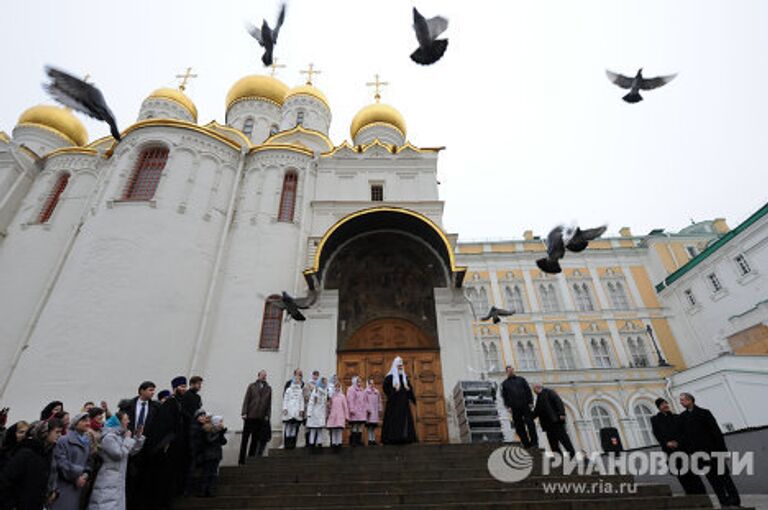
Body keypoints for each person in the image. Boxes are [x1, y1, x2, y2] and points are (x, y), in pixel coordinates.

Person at [679, 393, 741, 508]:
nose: (681, 402)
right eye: (680, 400)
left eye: (683, 400)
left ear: (690, 400)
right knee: (713, 480)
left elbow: (716, 433)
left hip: (714, 451)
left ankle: (735, 500)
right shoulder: (682, 417)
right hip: (700, 455)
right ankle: (723, 502)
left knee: (725, 477)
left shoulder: (704, 413)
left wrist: (723, 451)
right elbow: (684, 437)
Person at [0, 419, 63, 510]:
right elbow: (6, 481)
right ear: (44, 432)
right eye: (57, 432)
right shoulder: (25, 453)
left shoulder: (46, 454)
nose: (60, 435)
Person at [88, 411, 144, 510]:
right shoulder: (109, 437)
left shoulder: (119, 436)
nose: (128, 421)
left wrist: (138, 437)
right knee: (105, 504)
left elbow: (131, 452)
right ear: (119, 422)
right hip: (108, 477)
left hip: (118, 477)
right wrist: (127, 439)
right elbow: (118, 454)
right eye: (126, 419)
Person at [650, 398, 707, 495]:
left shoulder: (677, 417)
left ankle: (701, 493)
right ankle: (690, 494)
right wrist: (667, 443)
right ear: (658, 407)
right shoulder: (655, 419)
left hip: (682, 448)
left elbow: (683, 432)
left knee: (691, 472)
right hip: (670, 450)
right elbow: (657, 434)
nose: (665, 405)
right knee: (680, 473)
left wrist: (678, 442)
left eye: (666, 403)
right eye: (662, 404)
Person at [125, 381, 159, 510]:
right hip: (128, 445)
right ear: (141, 391)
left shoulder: (156, 407)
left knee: (143, 479)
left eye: (153, 390)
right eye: (150, 390)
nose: (152, 393)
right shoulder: (128, 406)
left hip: (147, 446)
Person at [51, 412, 93, 510]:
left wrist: (85, 475)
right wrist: (77, 475)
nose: (87, 423)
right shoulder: (63, 440)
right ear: (75, 423)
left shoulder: (87, 442)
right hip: (64, 486)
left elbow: (89, 462)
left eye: (88, 421)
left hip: (79, 486)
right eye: (84, 421)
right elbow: (61, 462)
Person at [381, 356, 418, 445]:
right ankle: (393, 438)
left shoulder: (404, 378)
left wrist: (409, 391)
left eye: (401, 365)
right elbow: (385, 388)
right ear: (394, 366)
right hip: (393, 404)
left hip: (403, 404)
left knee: (404, 421)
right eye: (398, 365)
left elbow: (409, 389)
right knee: (393, 420)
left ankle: (404, 437)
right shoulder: (389, 378)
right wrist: (394, 391)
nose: (400, 367)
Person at [532, 384, 575, 456]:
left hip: (556, 422)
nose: (534, 392)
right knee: (553, 444)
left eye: (534, 390)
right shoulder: (539, 398)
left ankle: (572, 455)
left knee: (564, 440)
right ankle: (559, 459)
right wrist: (528, 417)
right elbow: (537, 411)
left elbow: (558, 401)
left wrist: (562, 413)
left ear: (538, 388)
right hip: (548, 426)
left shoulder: (549, 392)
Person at [500, 365, 538, 448]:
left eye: (511, 370)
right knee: (519, 427)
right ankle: (526, 444)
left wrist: (531, 402)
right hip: (514, 408)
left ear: (514, 370)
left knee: (530, 424)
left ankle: (534, 443)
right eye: (508, 371)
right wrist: (508, 406)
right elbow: (504, 396)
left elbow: (528, 391)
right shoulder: (504, 384)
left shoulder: (521, 379)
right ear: (506, 372)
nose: (510, 372)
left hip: (525, 405)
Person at [239, 370, 272, 464]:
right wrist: (244, 412)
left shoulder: (268, 388)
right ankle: (241, 460)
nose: (264, 377)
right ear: (258, 376)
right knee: (245, 440)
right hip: (250, 416)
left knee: (255, 440)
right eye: (262, 375)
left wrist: (267, 415)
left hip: (260, 418)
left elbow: (269, 404)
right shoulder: (252, 386)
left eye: (265, 375)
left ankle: (250, 459)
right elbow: (247, 399)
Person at [196, 415, 227, 497]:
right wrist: (219, 433)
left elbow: (223, 442)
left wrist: (221, 433)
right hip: (209, 455)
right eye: (220, 421)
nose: (221, 423)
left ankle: (210, 490)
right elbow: (209, 440)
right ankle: (202, 491)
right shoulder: (208, 429)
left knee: (213, 473)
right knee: (206, 473)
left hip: (216, 455)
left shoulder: (218, 431)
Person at [305, 377, 328, 450]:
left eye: (326, 382)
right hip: (314, 413)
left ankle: (319, 444)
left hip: (321, 413)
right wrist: (309, 413)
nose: (325, 384)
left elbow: (324, 403)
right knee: (313, 430)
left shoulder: (325, 392)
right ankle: (311, 444)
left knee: (320, 430)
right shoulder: (316, 391)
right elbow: (311, 402)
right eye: (324, 382)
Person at [282, 375, 304, 449]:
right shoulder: (289, 390)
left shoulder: (300, 390)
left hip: (296, 411)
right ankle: (287, 443)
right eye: (296, 380)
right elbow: (285, 399)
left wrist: (301, 410)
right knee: (288, 427)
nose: (297, 381)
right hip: (289, 410)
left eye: (298, 380)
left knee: (294, 427)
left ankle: (292, 443)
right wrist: (285, 408)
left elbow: (301, 401)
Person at [326, 380, 348, 452]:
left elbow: (345, 407)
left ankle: (339, 443)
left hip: (340, 415)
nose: (337, 388)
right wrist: (328, 405)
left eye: (338, 387)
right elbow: (329, 406)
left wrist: (346, 416)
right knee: (334, 430)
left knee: (339, 430)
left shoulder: (342, 396)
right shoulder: (332, 396)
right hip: (333, 415)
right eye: (336, 387)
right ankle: (334, 443)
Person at [346, 376, 367, 447]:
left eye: (360, 381)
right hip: (354, 410)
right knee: (355, 425)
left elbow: (364, 400)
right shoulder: (351, 389)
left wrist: (365, 408)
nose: (359, 383)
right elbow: (350, 400)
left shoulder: (362, 389)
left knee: (360, 426)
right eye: (358, 381)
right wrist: (351, 409)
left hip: (361, 411)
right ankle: (353, 441)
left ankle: (359, 441)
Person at [302, 371, 320, 448]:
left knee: (315, 425)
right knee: (308, 426)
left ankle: (314, 442)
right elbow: (305, 396)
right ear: (312, 375)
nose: (315, 377)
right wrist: (313, 396)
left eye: (317, 375)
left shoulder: (319, 385)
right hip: (309, 407)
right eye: (314, 375)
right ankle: (307, 442)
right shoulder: (307, 384)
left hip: (317, 409)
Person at [364, 377, 382, 446]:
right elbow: (364, 401)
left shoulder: (376, 392)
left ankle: (373, 439)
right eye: (370, 383)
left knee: (374, 426)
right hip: (369, 412)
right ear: (368, 384)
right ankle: (370, 440)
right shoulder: (366, 392)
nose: (372, 385)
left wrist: (380, 408)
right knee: (369, 426)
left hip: (375, 411)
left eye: (372, 383)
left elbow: (379, 401)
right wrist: (367, 409)